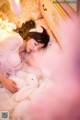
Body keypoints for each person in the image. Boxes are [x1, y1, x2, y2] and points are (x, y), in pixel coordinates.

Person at [0, 20, 50, 93]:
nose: (35, 49)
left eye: (38, 48)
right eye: (35, 44)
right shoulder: (15, 40)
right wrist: (4, 80)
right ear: (29, 37)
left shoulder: (25, 54)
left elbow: (38, 66)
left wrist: (49, 74)